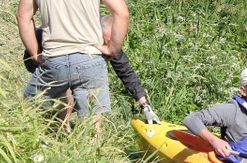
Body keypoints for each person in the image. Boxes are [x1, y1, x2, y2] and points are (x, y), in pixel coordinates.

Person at [17, 0, 129, 124]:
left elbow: (23, 17)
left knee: (28, 111)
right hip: (90, 58)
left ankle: (45, 144)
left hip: (54, 57)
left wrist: (35, 53)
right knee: (94, 124)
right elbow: (122, 14)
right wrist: (111, 49)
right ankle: (92, 153)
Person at [23, 15, 159, 124]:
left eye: (111, 41)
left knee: (84, 90)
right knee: (66, 85)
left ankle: (86, 133)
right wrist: (38, 55)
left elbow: (126, 72)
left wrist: (145, 106)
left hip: (75, 69)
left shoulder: (110, 45)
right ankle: (63, 128)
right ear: (96, 32)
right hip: (40, 57)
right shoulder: (76, 32)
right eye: (106, 40)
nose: (108, 44)